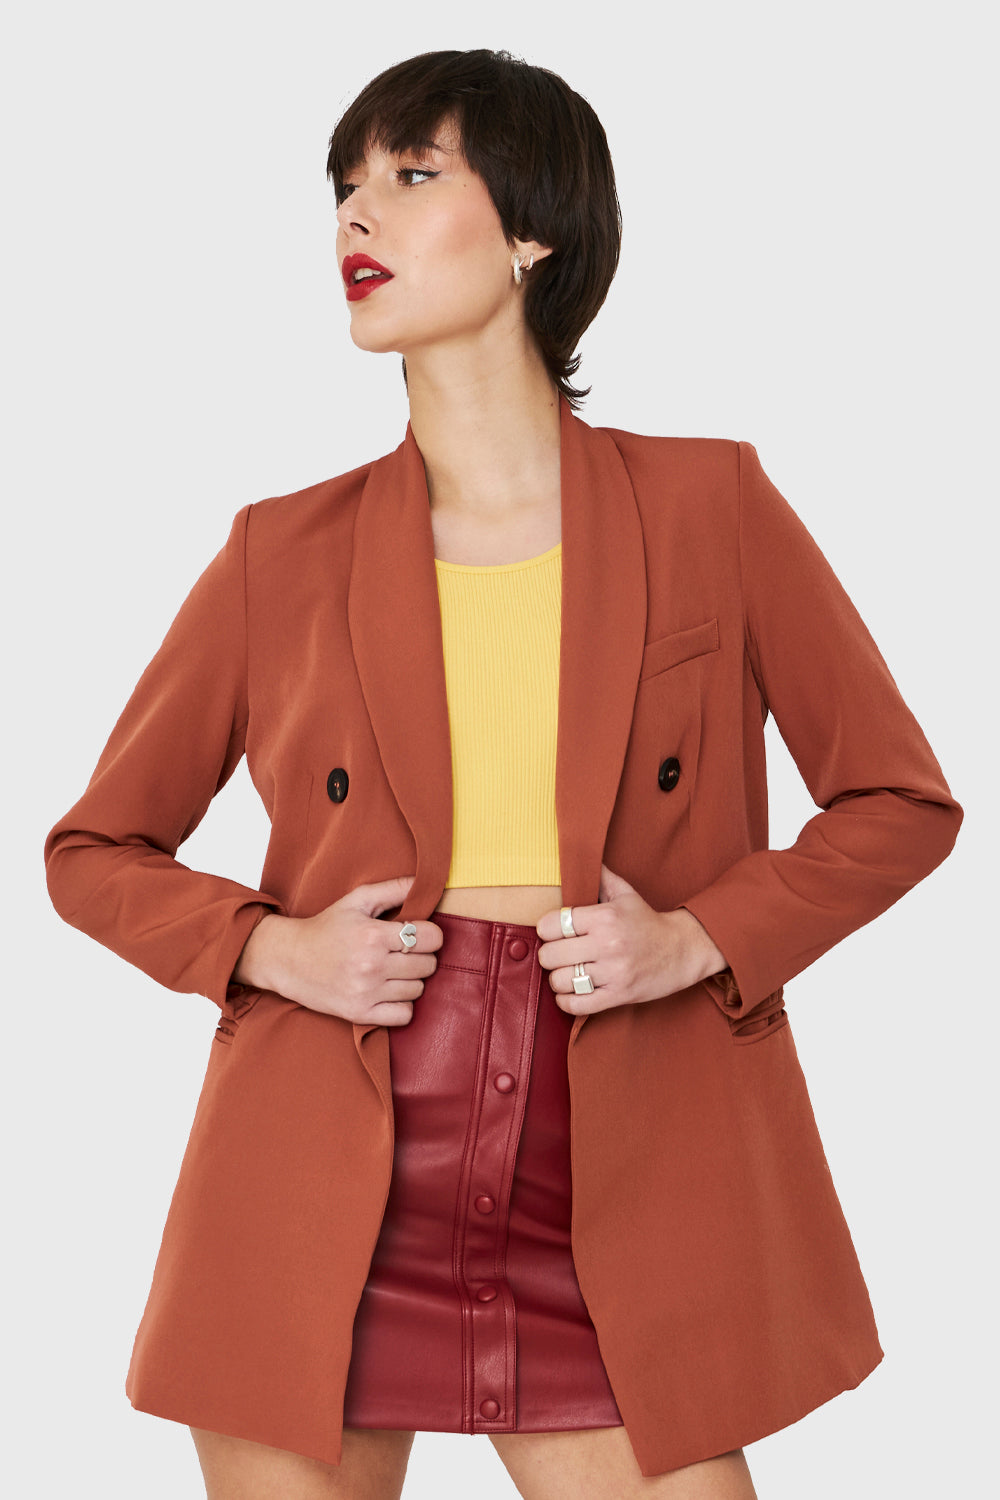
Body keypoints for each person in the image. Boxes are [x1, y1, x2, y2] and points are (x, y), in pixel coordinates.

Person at [43, 47, 963, 1500]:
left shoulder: (711, 503)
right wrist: (273, 948)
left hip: (621, 1146)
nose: (357, 217)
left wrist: (696, 937)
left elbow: (899, 804)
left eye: (412, 176)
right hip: (328, 1157)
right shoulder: (281, 550)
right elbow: (95, 850)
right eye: (346, 187)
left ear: (535, 228)